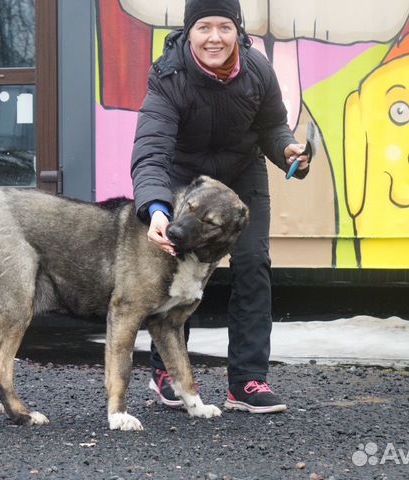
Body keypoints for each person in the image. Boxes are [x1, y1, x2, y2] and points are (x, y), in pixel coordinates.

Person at [131, 0, 310, 414]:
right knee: (177, 266)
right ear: (189, 31)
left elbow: (272, 126)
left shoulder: (257, 69)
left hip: (241, 178)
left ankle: (247, 381)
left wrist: (288, 151)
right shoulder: (168, 76)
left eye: (225, 27)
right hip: (186, 181)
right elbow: (152, 151)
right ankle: (169, 374)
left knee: (252, 264)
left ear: (238, 31)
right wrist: (156, 208)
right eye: (204, 27)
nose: (215, 37)